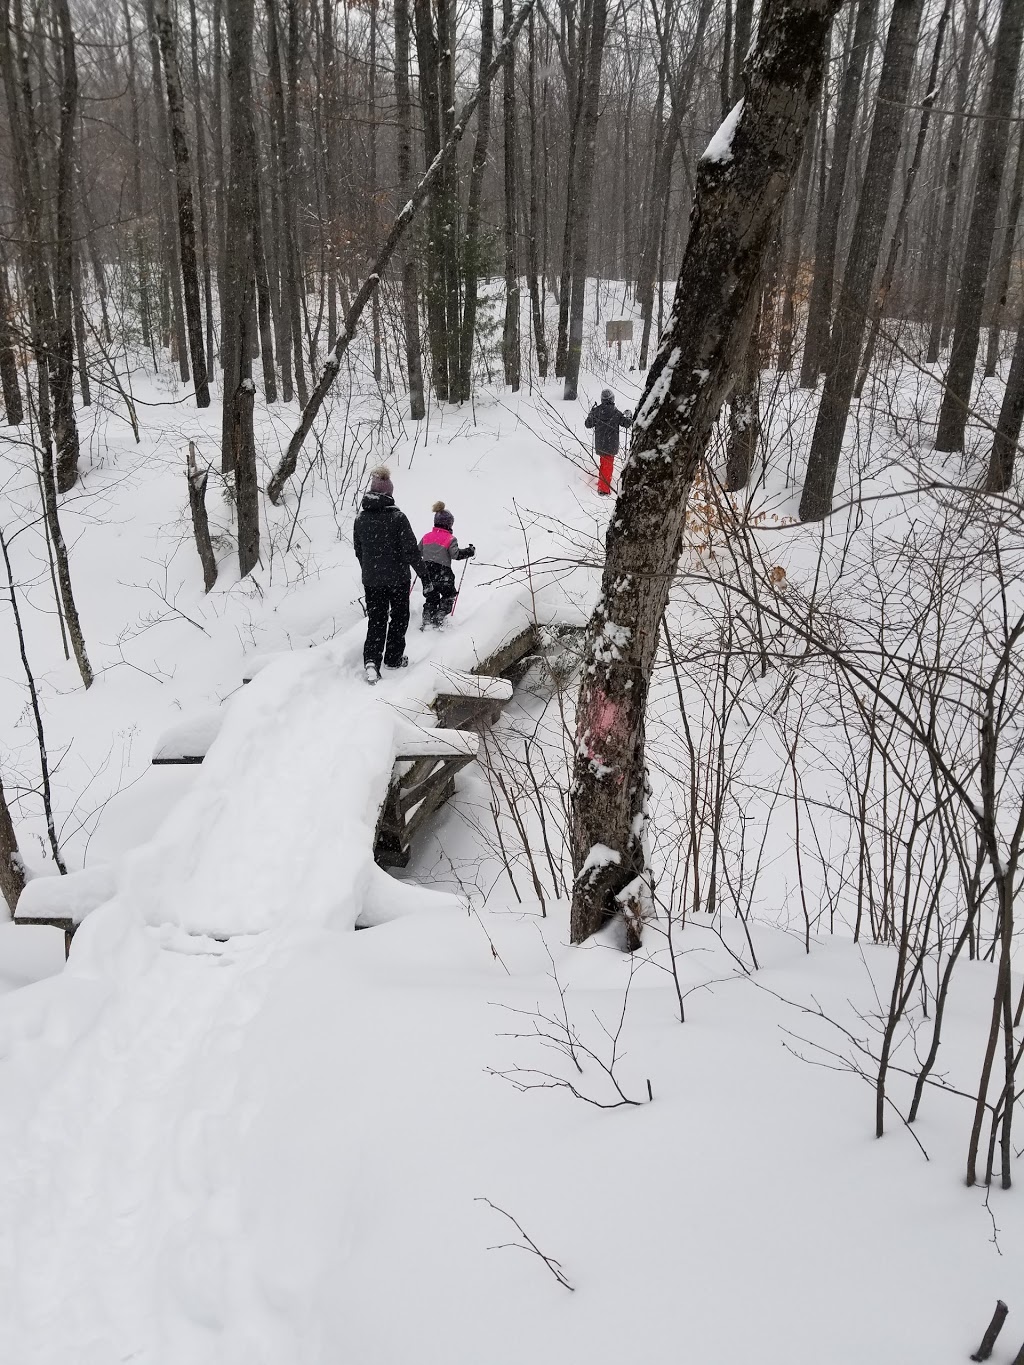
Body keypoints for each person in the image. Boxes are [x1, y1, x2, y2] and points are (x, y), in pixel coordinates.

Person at [353, 467, 422, 684]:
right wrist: (426, 576)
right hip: (398, 579)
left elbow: (359, 550)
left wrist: (370, 568)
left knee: (377, 619)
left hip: (372, 581)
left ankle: (372, 661)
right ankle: (393, 658)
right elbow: (411, 550)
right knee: (399, 617)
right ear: (389, 494)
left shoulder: (360, 519)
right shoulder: (398, 518)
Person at [418, 502, 475, 630]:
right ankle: (441, 616)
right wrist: (468, 551)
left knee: (431, 598)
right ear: (449, 524)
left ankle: (427, 618)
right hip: (444, 574)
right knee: (448, 595)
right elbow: (455, 555)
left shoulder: (426, 537)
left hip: (427, 573)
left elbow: (418, 552)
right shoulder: (450, 538)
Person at [585, 388, 632, 494]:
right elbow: (626, 423)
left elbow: (588, 424)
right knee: (607, 466)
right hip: (611, 444)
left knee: (603, 464)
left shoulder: (597, 411)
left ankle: (602, 483)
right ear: (612, 399)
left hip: (600, 444)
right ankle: (603, 489)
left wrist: (591, 413)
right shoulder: (616, 412)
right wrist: (628, 416)